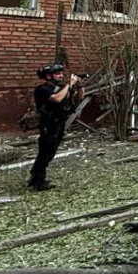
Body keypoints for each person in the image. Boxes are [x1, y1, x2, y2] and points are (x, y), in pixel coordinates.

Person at [30, 63, 84, 191]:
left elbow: (80, 97)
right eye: (58, 73)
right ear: (48, 76)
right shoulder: (42, 89)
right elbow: (57, 99)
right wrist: (69, 84)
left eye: (61, 73)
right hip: (48, 123)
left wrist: (79, 85)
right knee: (46, 150)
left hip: (59, 122)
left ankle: (36, 175)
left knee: (51, 150)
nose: (61, 76)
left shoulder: (61, 87)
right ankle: (38, 181)